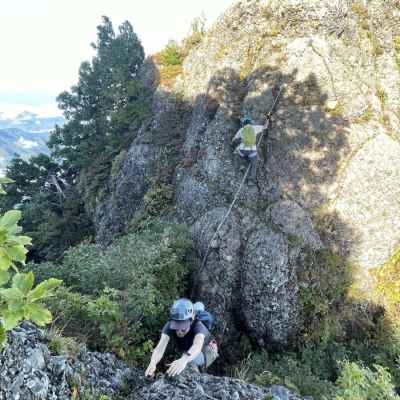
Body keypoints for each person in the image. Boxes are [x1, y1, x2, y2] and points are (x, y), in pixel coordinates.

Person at [145, 298, 218, 377]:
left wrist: (184, 360)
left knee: (191, 362)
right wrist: (152, 362)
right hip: (188, 343)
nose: (179, 331)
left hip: (205, 349)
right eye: (176, 327)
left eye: (183, 328)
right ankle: (197, 307)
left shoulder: (199, 326)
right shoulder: (170, 324)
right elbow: (160, 347)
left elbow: (197, 345)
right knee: (198, 306)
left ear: (191, 321)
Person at [231, 116, 265, 184]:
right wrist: (267, 119)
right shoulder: (255, 128)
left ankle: (241, 166)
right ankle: (251, 180)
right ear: (250, 123)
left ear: (244, 124)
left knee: (237, 154)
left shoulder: (241, 130)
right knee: (254, 164)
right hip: (252, 151)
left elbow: (233, 140)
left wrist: (233, 146)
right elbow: (265, 127)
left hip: (242, 150)